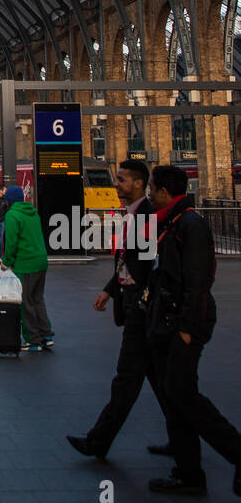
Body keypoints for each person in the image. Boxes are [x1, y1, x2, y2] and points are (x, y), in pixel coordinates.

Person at [143, 165, 241, 498]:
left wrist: (186, 329)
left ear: (164, 192)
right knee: (177, 395)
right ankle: (188, 472)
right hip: (169, 320)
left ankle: (235, 453)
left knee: (184, 395)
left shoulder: (190, 224)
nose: (148, 193)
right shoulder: (173, 222)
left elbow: (199, 280)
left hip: (185, 324)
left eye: (151, 187)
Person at [67, 159, 166, 459]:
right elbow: (129, 260)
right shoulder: (134, 214)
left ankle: (98, 441)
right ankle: (183, 438)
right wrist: (110, 291)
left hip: (141, 308)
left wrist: (136, 299)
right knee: (162, 382)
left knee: (127, 377)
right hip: (134, 302)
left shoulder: (146, 216)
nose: (116, 185)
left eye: (121, 180)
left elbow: (147, 266)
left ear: (138, 183)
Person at [2, 185, 52, 351]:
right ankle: (46, 335)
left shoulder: (12, 215)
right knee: (38, 299)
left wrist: (6, 262)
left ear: (8, 200)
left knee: (26, 302)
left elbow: (11, 243)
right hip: (41, 262)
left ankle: (33, 339)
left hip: (26, 264)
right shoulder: (33, 213)